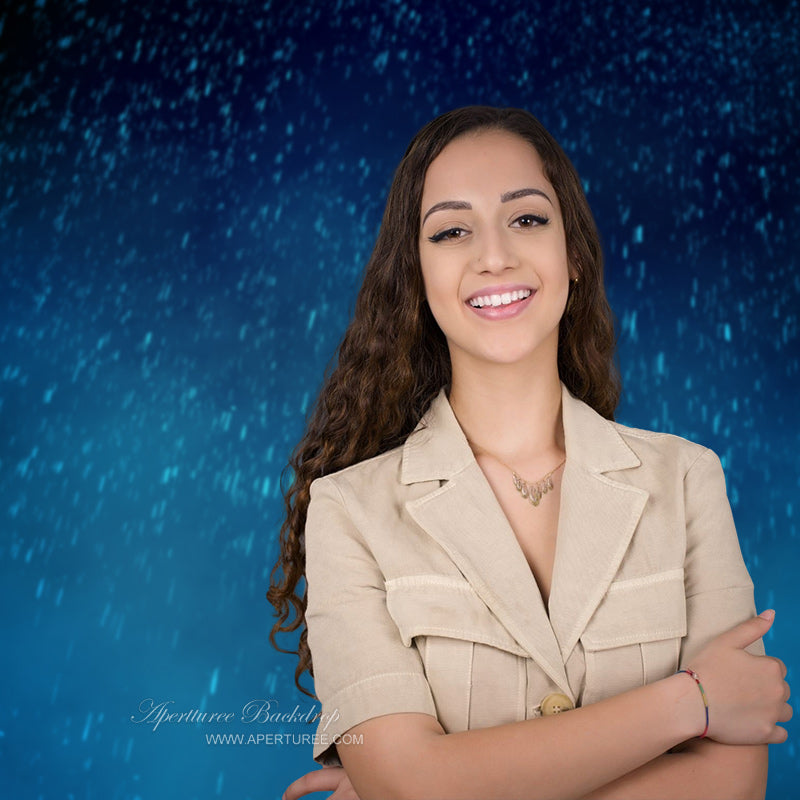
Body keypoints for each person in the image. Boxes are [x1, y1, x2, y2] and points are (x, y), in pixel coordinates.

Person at [268, 106, 791, 800]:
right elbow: (410, 786)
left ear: (572, 251)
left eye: (527, 218)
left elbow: (734, 784)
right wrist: (690, 702)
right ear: (416, 276)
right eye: (452, 230)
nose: (494, 255)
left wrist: (442, 782)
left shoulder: (689, 480)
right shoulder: (347, 512)